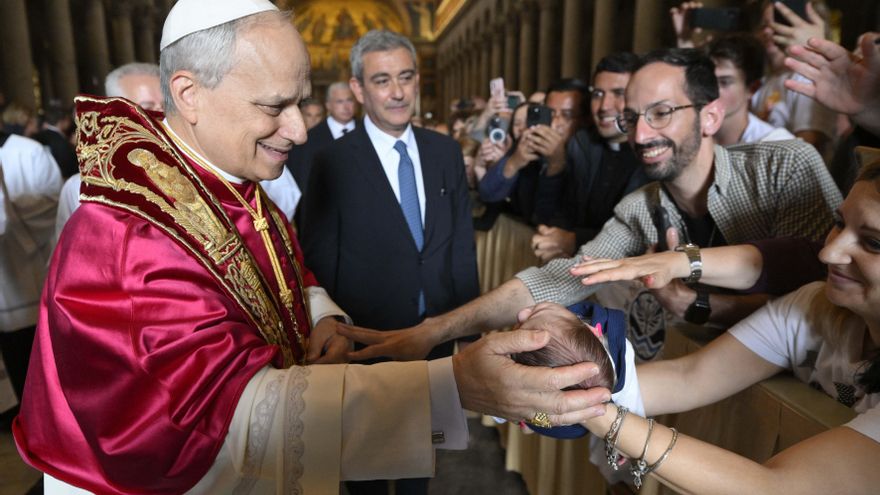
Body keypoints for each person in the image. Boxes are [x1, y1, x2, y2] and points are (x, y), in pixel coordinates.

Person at [13, 2, 608, 493]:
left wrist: (324, 319)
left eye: (300, 102)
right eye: (275, 106)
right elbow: (222, 420)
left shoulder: (224, 179)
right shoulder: (129, 234)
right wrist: (450, 385)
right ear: (189, 94)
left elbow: (286, 268)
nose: (299, 130)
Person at [339, 48, 841, 362]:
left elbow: (825, 297)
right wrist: (433, 331)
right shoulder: (642, 206)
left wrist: (706, 305)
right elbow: (561, 278)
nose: (642, 134)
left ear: (711, 116)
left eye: (662, 113)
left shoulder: (784, 167)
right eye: (631, 118)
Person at [562, 156, 880, 493]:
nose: (828, 253)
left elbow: (774, 488)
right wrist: (556, 380)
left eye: (873, 242)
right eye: (838, 223)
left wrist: (592, 414)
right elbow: (689, 377)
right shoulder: (814, 307)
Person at [300, 32, 480, 494]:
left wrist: (468, 331)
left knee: (422, 460)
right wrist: (335, 333)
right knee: (366, 470)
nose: (398, 92)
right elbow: (318, 258)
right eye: (382, 81)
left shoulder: (444, 153)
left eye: (405, 78)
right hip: (367, 343)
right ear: (358, 89)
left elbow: (460, 244)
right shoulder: (331, 163)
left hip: (434, 337)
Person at [54, 62, 300, 242]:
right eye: (146, 108)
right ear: (116, 114)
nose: (159, 118)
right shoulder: (81, 189)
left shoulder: (216, 171)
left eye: (167, 106)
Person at [531, 52, 650, 263]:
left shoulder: (653, 150)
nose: (604, 106)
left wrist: (574, 239)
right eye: (598, 94)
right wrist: (552, 235)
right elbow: (560, 211)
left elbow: (641, 232)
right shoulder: (582, 144)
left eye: (618, 93)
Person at [0, 111, 62, 428]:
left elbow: (53, 198)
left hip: (26, 269)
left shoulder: (28, 151)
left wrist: (11, 209)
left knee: (30, 349)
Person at [478, 79, 588, 227]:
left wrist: (556, 165)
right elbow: (487, 192)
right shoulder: (529, 145)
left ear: (585, 119)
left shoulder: (590, 156)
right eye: (551, 114)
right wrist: (514, 162)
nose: (556, 123)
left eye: (567, 115)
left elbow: (548, 219)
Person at [286, 81, 358, 223]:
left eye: (349, 100)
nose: (346, 106)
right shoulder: (308, 140)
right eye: (339, 101)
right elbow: (301, 185)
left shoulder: (369, 133)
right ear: (328, 105)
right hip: (322, 219)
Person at [706, 33, 795, 145]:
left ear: (752, 89)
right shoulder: (691, 137)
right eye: (707, 79)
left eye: (724, 82)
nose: (712, 89)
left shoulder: (776, 145)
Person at [33, 100, 78, 179]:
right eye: (68, 119)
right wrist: (74, 146)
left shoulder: (42, 134)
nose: (70, 122)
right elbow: (69, 165)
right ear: (62, 121)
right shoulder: (59, 141)